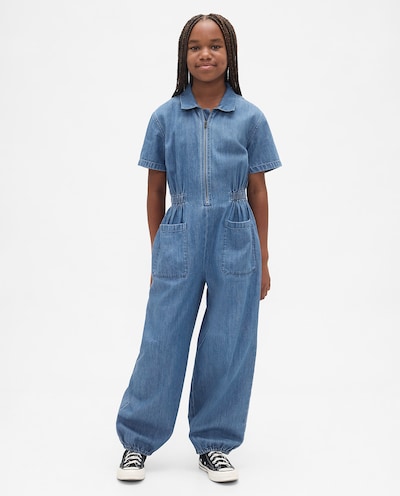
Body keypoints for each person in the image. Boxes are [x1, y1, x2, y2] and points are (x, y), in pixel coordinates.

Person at [116, 13, 282, 483]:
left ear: (230, 54)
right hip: (179, 234)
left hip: (236, 237)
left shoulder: (250, 117)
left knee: (229, 342)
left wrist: (263, 256)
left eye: (214, 46)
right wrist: (158, 251)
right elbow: (155, 191)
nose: (205, 54)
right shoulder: (164, 117)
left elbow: (258, 191)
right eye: (195, 46)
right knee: (161, 339)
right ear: (183, 55)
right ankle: (137, 442)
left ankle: (214, 443)